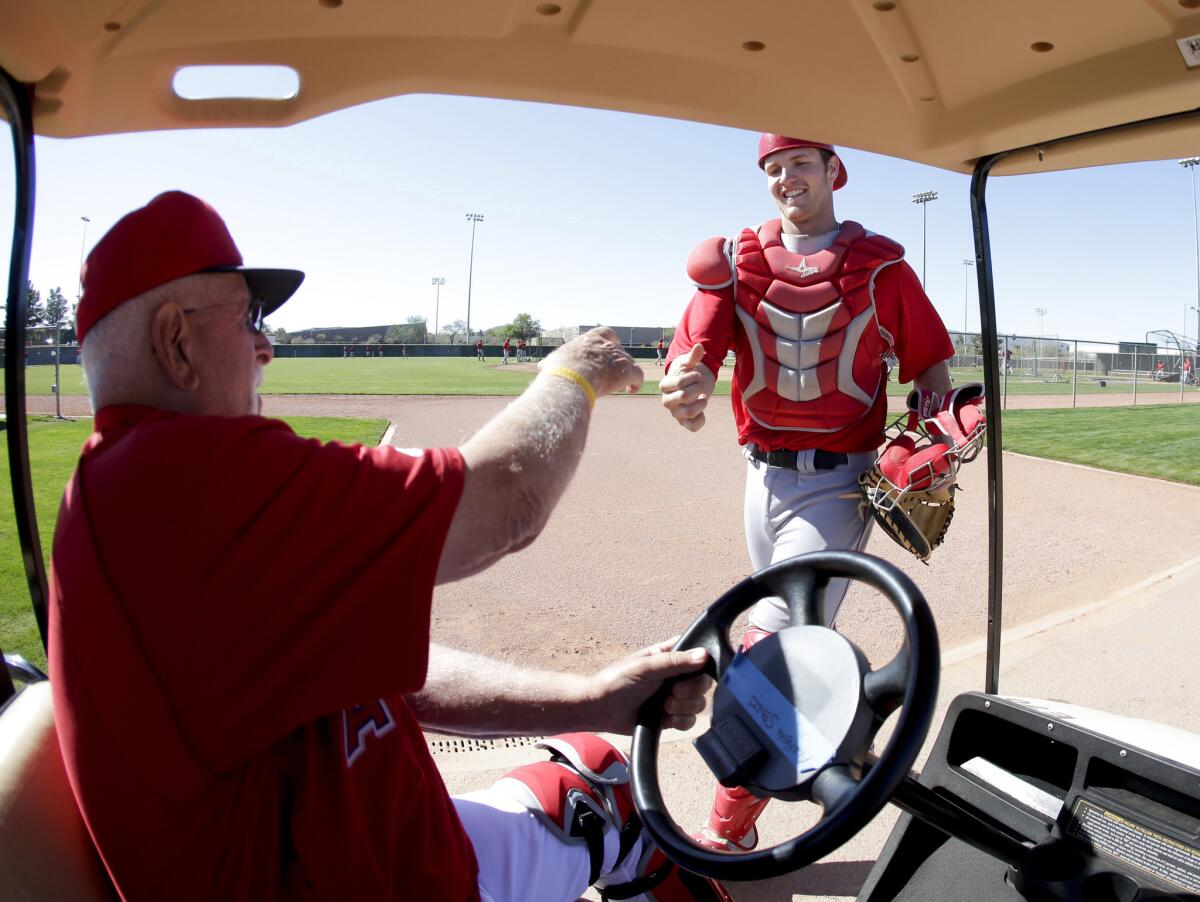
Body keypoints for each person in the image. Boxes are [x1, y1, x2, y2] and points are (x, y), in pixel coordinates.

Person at [50, 191, 730, 902]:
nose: (266, 347)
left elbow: (370, 673)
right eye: (248, 315)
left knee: (589, 763)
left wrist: (587, 697)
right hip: (395, 877)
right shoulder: (185, 479)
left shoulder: (138, 491)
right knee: (608, 794)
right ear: (175, 341)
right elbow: (507, 499)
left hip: (375, 848)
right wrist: (576, 369)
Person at [659, 135, 955, 852]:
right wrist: (685, 386)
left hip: (837, 483)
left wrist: (932, 431)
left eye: (798, 164)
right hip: (760, 477)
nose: (785, 178)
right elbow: (690, 358)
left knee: (769, 645)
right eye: (772, 169)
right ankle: (812, 742)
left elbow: (933, 368)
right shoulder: (737, 265)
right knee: (780, 630)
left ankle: (726, 830)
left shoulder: (878, 268)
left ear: (833, 171)